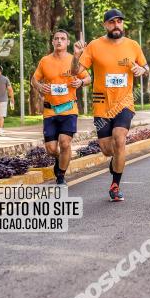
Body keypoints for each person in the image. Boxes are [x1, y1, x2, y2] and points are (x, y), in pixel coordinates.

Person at [72, 9, 148, 202]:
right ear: (105, 25)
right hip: (101, 103)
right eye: (112, 22)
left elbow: (146, 68)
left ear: (123, 24)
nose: (116, 25)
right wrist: (76, 55)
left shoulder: (133, 45)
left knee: (119, 139)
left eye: (119, 22)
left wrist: (142, 69)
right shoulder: (94, 46)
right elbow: (76, 71)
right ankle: (116, 161)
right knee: (107, 149)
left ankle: (115, 185)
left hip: (124, 102)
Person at [31, 30, 91, 185]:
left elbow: (88, 78)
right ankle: (62, 158)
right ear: (52, 42)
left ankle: (61, 176)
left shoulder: (74, 60)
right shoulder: (45, 61)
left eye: (63, 39)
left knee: (64, 142)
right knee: (51, 149)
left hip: (69, 108)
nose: (59, 41)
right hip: (50, 110)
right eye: (56, 38)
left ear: (67, 42)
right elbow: (34, 79)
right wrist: (39, 87)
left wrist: (80, 82)